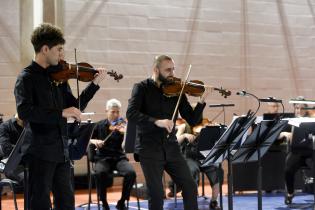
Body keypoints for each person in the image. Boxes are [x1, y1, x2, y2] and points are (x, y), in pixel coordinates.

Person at [14, 23, 106, 210]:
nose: (61, 54)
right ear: (45, 49)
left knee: (66, 203)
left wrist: (94, 85)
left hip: (62, 152)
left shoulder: (59, 79)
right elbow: (25, 112)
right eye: (59, 49)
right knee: (39, 203)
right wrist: (61, 113)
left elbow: (75, 107)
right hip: (39, 152)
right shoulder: (26, 78)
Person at [126, 55, 212, 210]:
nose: (172, 73)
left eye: (173, 69)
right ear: (156, 70)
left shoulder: (177, 90)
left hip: (171, 147)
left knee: (190, 185)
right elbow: (131, 114)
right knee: (157, 194)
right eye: (168, 70)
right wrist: (156, 121)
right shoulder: (141, 88)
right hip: (149, 148)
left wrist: (201, 101)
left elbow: (192, 119)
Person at [89, 98, 136, 210]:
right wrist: (94, 141)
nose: (116, 114)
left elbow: (126, 147)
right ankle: (104, 203)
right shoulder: (98, 125)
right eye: (113, 111)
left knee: (131, 173)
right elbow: (87, 140)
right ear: (107, 111)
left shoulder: (123, 126)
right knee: (100, 173)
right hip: (102, 158)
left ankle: (122, 202)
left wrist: (126, 134)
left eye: (118, 112)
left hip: (119, 158)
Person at [168, 119, 223, 210]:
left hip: (204, 157)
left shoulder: (206, 124)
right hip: (189, 157)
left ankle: (214, 201)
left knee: (217, 170)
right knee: (191, 170)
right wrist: (184, 135)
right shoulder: (183, 126)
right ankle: (191, 200)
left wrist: (215, 129)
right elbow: (175, 142)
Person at [284, 96, 310, 205]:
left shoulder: (311, 119)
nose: (299, 110)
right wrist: (285, 133)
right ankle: (290, 193)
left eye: (301, 108)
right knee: (288, 170)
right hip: (296, 152)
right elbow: (280, 133)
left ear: (306, 109)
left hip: (310, 151)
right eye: (297, 108)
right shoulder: (291, 120)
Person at [0, 114, 24, 182]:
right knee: (29, 179)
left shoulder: (28, 126)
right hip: (12, 166)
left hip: (27, 163)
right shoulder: (4, 126)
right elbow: (7, 149)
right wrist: (25, 148)